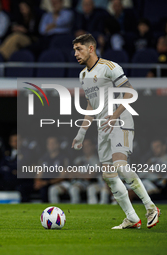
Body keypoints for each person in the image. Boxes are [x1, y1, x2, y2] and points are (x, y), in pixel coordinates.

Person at [71, 33, 160, 229]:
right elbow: (90, 106)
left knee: (120, 165)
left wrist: (114, 115)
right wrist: (81, 133)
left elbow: (130, 92)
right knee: (109, 177)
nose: (75, 53)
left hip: (120, 120)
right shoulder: (83, 75)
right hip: (103, 127)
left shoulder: (110, 67)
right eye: (74, 50)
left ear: (91, 48)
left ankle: (151, 208)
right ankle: (132, 218)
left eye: (79, 49)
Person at [73, 139, 109, 204]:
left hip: (96, 183)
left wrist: (78, 174)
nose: (85, 148)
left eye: (88, 146)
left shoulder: (97, 160)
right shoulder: (79, 159)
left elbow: (89, 176)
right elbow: (70, 174)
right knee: (74, 189)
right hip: (81, 183)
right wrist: (84, 175)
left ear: (93, 146)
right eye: (84, 146)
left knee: (91, 189)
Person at [35, 136, 70, 203]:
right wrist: (38, 182)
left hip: (58, 183)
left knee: (51, 189)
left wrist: (47, 182)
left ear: (58, 144)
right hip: (44, 183)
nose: (51, 145)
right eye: (49, 143)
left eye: (53, 143)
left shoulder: (63, 158)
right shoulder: (43, 158)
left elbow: (62, 176)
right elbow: (39, 174)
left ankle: (55, 210)